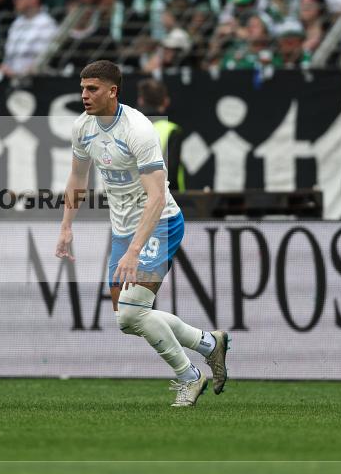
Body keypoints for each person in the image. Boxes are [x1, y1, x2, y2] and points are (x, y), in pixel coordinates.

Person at [55, 60, 228, 407]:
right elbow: (78, 177)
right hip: (123, 229)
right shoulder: (82, 127)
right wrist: (66, 225)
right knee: (127, 318)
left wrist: (134, 250)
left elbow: (157, 196)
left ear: (112, 91)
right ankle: (210, 344)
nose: (84, 95)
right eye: (82, 87)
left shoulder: (139, 129)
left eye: (93, 89)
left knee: (134, 312)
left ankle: (189, 377)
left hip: (159, 222)